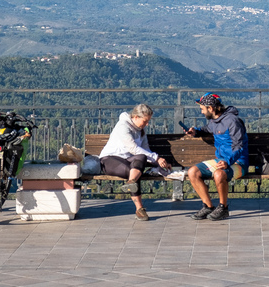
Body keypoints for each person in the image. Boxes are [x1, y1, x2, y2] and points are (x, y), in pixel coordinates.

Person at [99, 103, 170, 221]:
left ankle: (131, 183)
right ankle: (139, 208)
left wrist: (159, 163)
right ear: (135, 117)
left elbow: (145, 150)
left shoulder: (141, 130)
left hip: (127, 160)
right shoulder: (123, 126)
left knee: (140, 160)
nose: (147, 124)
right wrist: (156, 158)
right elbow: (133, 148)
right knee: (135, 171)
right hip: (109, 159)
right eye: (145, 121)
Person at [185, 92, 249, 221]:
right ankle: (208, 206)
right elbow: (206, 129)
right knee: (193, 172)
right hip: (221, 160)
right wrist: (195, 131)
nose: (202, 112)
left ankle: (223, 208)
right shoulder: (214, 121)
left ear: (211, 108)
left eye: (203, 109)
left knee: (219, 174)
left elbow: (238, 146)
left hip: (238, 162)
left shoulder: (232, 122)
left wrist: (228, 161)